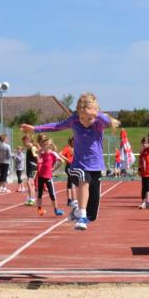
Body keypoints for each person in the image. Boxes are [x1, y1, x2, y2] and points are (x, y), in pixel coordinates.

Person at [21, 92, 120, 231]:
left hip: (96, 167)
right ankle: (81, 216)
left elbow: (108, 121)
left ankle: (77, 211)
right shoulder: (74, 120)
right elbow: (56, 126)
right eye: (82, 117)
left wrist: (95, 114)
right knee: (83, 178)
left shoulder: (99, 123)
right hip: (77, 166)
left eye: (89, 118)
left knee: (92, 215)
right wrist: (35, 129)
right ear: (78, 114)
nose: (85, 121)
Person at [35, 138, 65, 217]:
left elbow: (62, 161)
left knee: (52, 193)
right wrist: (41, 148)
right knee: (40, 193)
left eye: (46, 145)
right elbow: (36, 152)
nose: (44, 146)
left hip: (48, 176)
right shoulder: (41, 153)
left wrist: (53, 169)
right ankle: (39, 209)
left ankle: (56, 210)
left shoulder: (53, 153)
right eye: (43, 145)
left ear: (49, 145)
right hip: (41, 175)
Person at [22, 134, 38, 205]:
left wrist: (38, 166)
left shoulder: (33, 148)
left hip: (33, 167)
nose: (23, 143)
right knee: (31, 183)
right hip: (29, 167)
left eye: (24, 142)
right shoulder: (28, 148)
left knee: (29, 182)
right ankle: (31, 198)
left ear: (27, 140)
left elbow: (37, 157)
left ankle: (32, 198)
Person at [60, 137, 75, 204]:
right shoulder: (67, 148)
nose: (74, 142)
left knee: (70, 183)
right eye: (73, 141)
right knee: (73, 182)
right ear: (70, 141)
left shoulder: (76, 148)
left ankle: (69, 200)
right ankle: (74, 199)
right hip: (69, 167)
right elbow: (60, 154)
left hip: (74, 167)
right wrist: (67, 159)